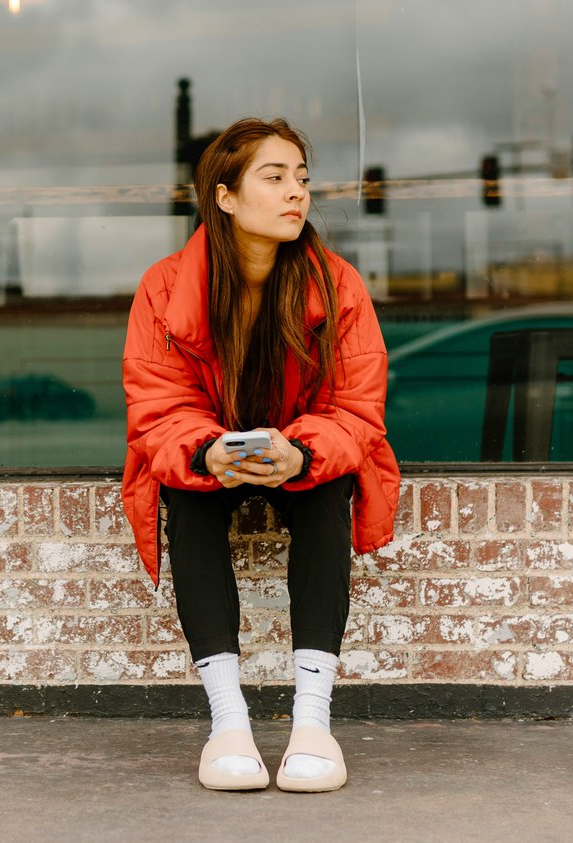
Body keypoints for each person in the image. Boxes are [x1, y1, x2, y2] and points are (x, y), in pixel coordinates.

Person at [120, 117, 400, 792]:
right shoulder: (164, 286)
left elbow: (357, 410)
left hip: (299, 452)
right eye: (273, 178)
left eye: (301, 179)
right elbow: (157, 409)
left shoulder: (337, 284)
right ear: (224, 196)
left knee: (331, 487)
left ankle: (312, 721)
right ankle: (228, 722)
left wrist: (302, 453)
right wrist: (206, 452)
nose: (295, 193)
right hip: (212, 452)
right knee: (184, 492)